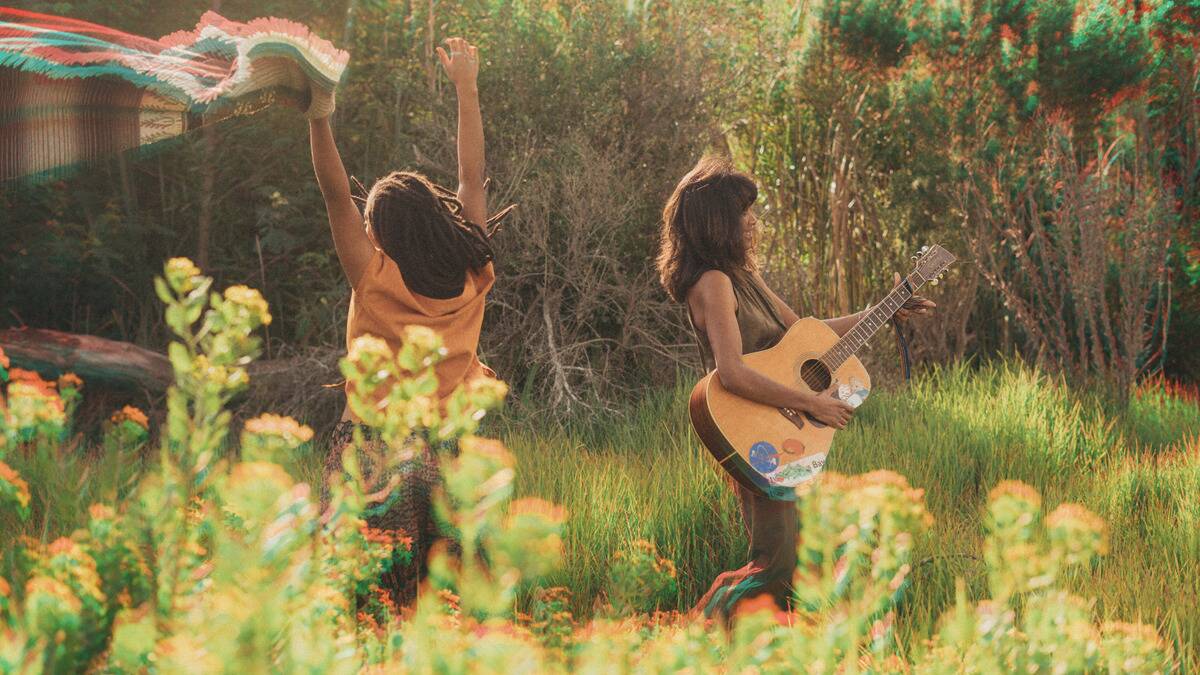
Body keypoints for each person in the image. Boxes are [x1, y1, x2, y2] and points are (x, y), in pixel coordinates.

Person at [655, 156, 934, 623]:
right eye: (743, 213)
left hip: (784, 428)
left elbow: (810, 335)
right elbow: (732, 373)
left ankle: (771, 641)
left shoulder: (743, 277)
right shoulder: (715, 283)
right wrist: (812, 402)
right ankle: (698, 633)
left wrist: (886, 309)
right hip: (752, 430)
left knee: (800, 554)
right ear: (718, 220)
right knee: (776, 561)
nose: (753, 223)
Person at [308, 37, 512, 606]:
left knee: (364, 610)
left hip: (373, 448)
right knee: (439, 610)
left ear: (380, 235)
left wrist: (319, 114)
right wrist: (466, 89)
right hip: (451, 455)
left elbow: (332, 194)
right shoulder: (475, 269)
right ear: (435, 218)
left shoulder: (373, 277)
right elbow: (472, 179)